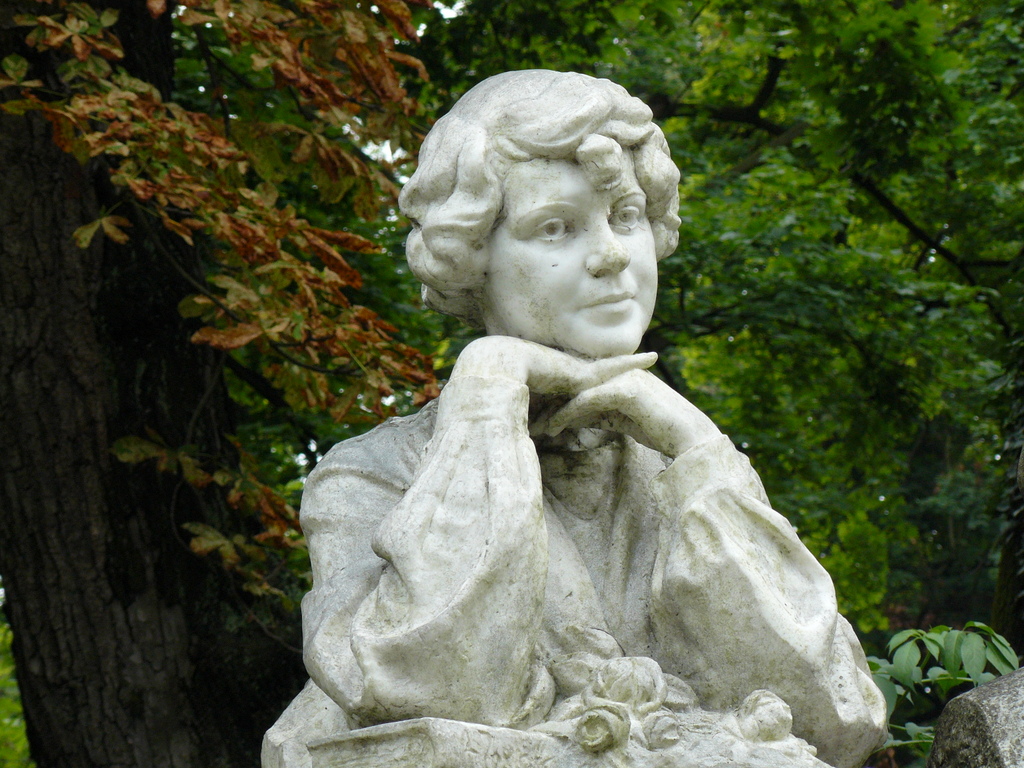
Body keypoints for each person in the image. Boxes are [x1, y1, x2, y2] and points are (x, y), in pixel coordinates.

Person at [263, 70, 887, 768]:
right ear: (472, 257)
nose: (612, 254)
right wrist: (487, 395)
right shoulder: (370, 478)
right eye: (556, 227)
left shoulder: (685, 473)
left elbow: (834, 719)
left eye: (627, 215)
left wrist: (695, 444)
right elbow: (432, 691)